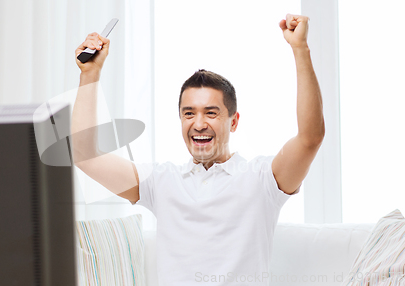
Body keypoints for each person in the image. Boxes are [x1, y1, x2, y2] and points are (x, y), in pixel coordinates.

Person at [72, 13, 324, 286]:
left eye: (211, 113)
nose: (199, 124)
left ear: (234, 121)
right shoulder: (161, 182)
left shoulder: (262, 179)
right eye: (189, 113)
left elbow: (310, 138)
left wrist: (301, 49)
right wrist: (90, 73)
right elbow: (86, 156)